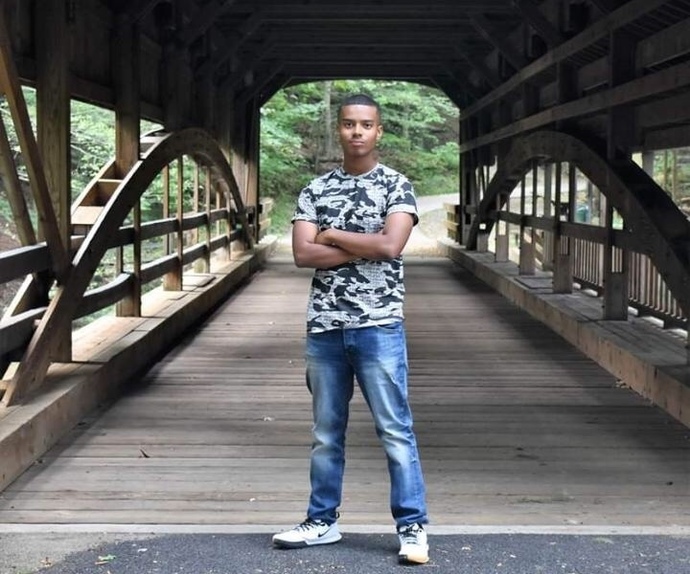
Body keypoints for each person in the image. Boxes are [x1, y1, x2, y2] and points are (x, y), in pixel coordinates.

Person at [271, 93, 429, 565]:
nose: (357, 132)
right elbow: (303, 255)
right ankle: (322, 522)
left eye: (366, 125)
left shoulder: (397, 186)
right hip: (325, 328)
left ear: (379, 131)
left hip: (379, 326)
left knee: (395, 430)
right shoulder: (315, 189)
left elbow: (392, 246)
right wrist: (371, 244)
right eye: (348, 124)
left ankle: (413, 527)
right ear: (338, 131)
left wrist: (334, 235)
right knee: (326, 433)